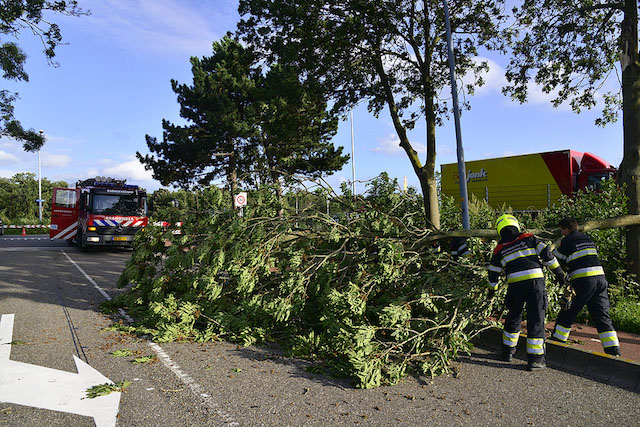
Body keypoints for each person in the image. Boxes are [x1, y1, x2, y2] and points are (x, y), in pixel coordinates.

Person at [488, 214, 565, 370]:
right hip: (535, 283)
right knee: (536, 318)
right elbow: (547, 255)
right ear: (516, 225)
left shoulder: (499, 249)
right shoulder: (529, 238)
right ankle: (535, 360)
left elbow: (493, 273)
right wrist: (559, 273)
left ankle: (508, 353)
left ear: (500, 230)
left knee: (513, 317)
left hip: (515, 286)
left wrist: (492, 291)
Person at [550, 217, 621, 356]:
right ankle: (613, 350)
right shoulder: (587, 239)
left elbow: (556, 257)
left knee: (569, 309)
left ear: (565, 229)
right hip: (600, 279)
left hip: (584, 280)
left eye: (562, 230)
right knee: (602, 315)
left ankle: (557, 342)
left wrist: (554, 249)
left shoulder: (567, 241)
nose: (562, 233)